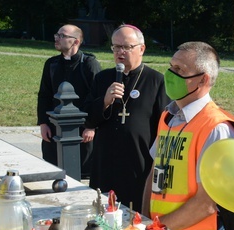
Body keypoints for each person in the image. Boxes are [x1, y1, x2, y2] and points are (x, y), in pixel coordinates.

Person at [144, 41, 234, 230]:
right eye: (171, 66)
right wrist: (147, 221)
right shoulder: (168, 117)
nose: (169, 74)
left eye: (179, 70)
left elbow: (207, 203)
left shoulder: (217, 128)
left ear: (203, 79)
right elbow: (154, 171)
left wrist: (156, 229)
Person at [86, 24, 169, 212]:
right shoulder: (102, 78)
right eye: (116, 47)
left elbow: (164, 127)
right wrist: (105, 101)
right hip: (105, 162)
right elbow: (88, 120)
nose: (120, 52)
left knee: (136, 218)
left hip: (139, 163)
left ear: (142, 49)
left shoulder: (156, 81)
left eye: (126, 47)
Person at [37, 24, 100, 177]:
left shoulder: (89, 64)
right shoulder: (51, 64)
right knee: (54, 171)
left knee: (82, 174)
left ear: (76, 41)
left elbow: (98, 96)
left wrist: (91, 127)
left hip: (82, 131)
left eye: (62, 36)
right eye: (57, 35)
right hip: (54, 128)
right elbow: (44, 94)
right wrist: (43, 123)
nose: (57, 38)